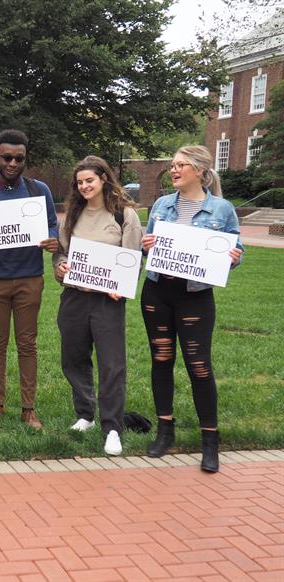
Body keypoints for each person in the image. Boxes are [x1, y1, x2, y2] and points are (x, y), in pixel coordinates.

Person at [141, 145, 243, 473]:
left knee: (199, 366)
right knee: (161, 359)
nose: (174, 170)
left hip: (195, 295)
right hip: (157, 291)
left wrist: (235, 256)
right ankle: (164, 431)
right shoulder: (161, 205)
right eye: (172, 165)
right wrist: (147, 247)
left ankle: (210, 441)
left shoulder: (221, 209)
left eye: (181, 165)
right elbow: (149, 245)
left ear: (199, 170)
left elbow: (234, 247)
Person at [0, 129, 59, 429]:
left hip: (29, 278)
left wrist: (52, 240)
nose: (13, 163)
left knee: (27, 343)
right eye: (7, 157)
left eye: (19, 158)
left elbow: (51, 226)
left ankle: (28, 407)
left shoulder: (38, 190)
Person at [53, 156, 142, 455]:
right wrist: (62, 266)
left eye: (89, 180)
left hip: (107, 301)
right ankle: (85, 414)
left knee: (111, 364)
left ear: (104, 179)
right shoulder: (72, 215)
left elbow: (133, 260)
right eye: (79, 183)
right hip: (75, 298)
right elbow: (60, 255)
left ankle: (113, 427)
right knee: (73, 359)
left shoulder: (124, 216)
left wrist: (122, 286)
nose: (84, 186)